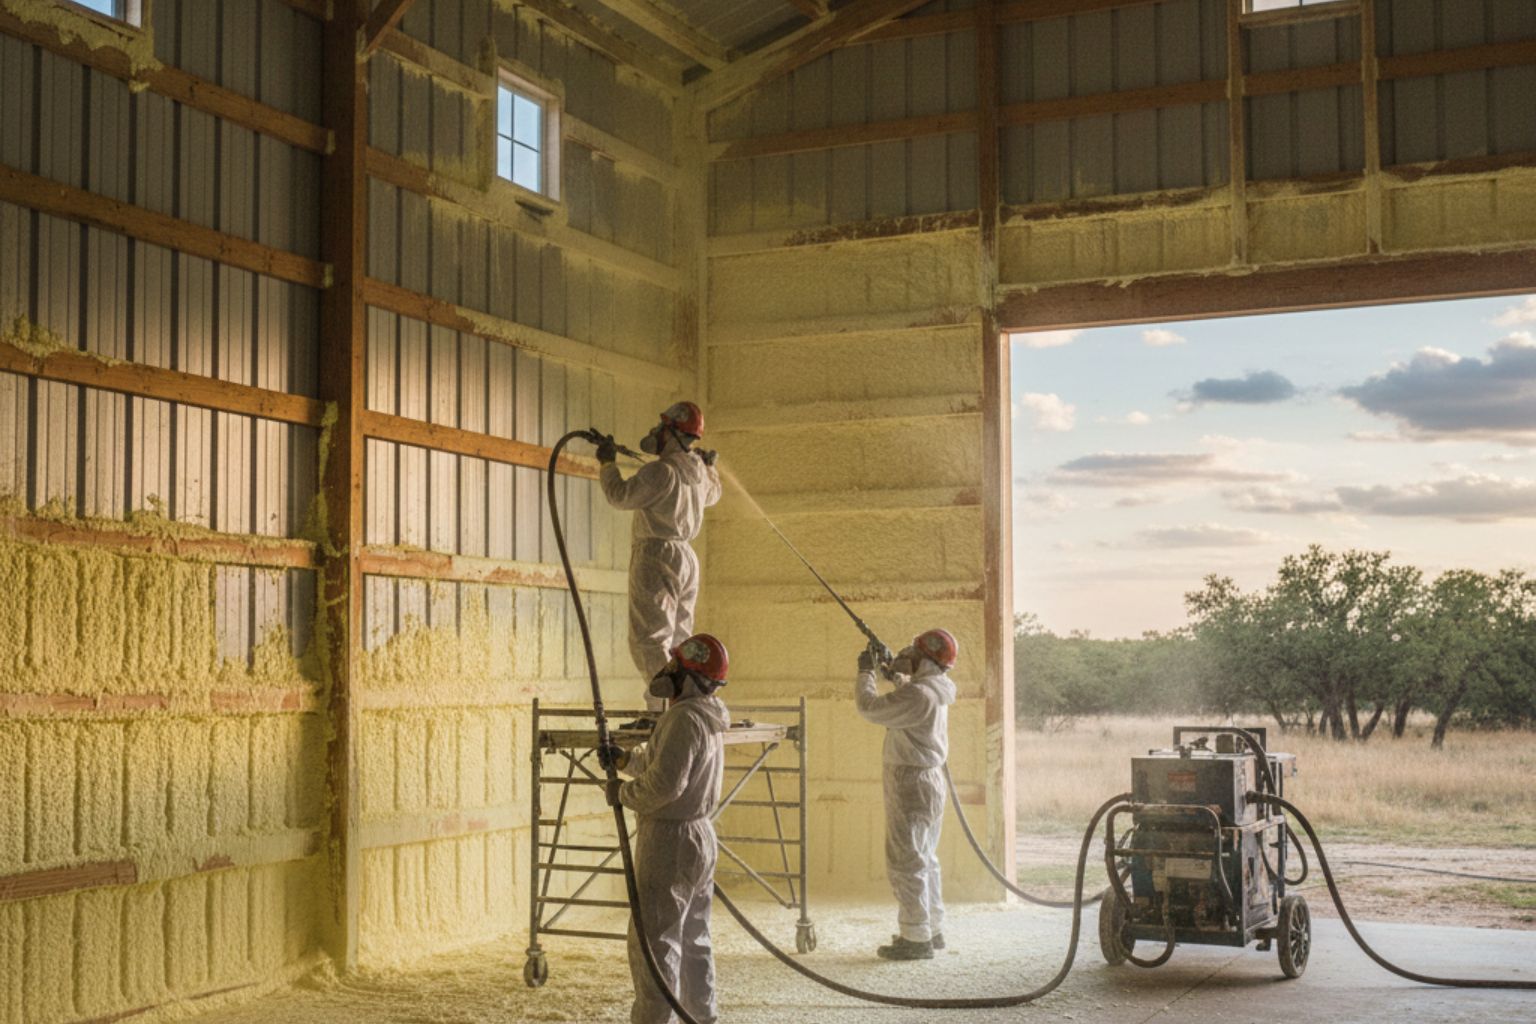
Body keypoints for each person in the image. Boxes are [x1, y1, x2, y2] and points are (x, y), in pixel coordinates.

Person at [606, 633, 732, 1024]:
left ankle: (654, 1019)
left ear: (689, 675)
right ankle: (701, 1015)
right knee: (694, 935)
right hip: (699, 834)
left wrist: (622, 793)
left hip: (670, 838)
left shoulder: (682, 718)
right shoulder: (706, 715)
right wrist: (627, 760)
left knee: (655, 941)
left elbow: (665, 785)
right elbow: (668, 767)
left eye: (677, 665)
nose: (669, 671)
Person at [597, 401, 722, 723]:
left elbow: (619, 496)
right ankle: (686, 705)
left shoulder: (661, 471)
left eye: (662, 426)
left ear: (672, 432)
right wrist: (709, 467)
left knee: (650, 639)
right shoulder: (697, 473)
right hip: (686, 559)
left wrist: (607, 463)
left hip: (657, 554)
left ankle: (664, 710)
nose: (656, 432)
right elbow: (713, 495)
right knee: (680, 640)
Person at [854, 628, 959, 961]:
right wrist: (896, 675)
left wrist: (866, 672)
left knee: (906, 861)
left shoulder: (919, 696)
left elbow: (869, 708)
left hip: (910, 781)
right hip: (927, 780)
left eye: (913, 651)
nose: (906, 653)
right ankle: (931, 927)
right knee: (925, 857)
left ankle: (915, 938)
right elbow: (911, 698)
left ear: (925, 660)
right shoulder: (932, 690)